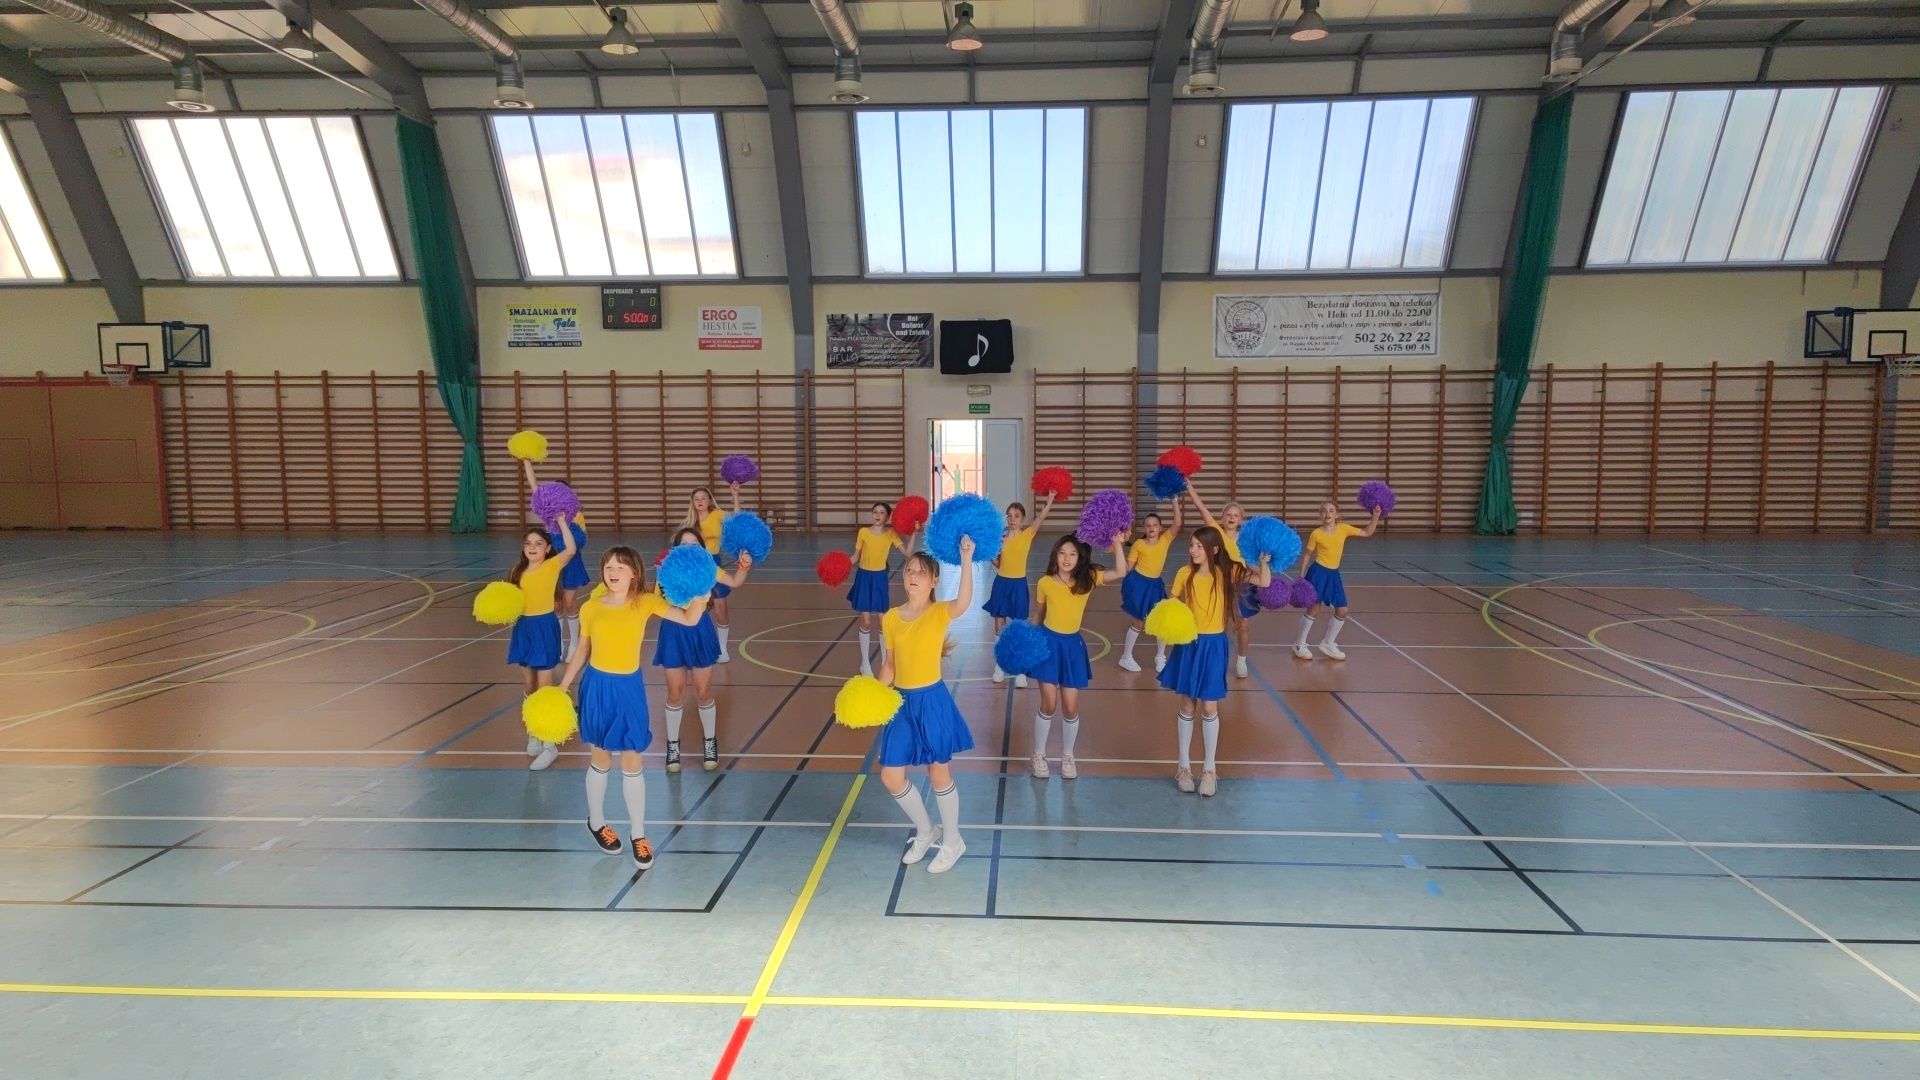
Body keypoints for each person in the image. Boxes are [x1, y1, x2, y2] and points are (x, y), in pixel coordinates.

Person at [557, 546, 709, 870]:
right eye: (608, 566)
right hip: (597, 687)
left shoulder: (646, 602)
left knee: (632, 758)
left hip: (629, 688)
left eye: (620, 567)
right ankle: (596, 822)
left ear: (634, 574)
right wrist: (563, 685)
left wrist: (701, 592)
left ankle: (638, 834)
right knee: (600, 758)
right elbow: (582, 649)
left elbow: (690, 618)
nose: (613, 572)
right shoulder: (590, 607)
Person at [875, 539, 977, 875]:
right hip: (901, 703)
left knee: (938, 771)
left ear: (934, 580)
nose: (913, 576)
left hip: (932, 701)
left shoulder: (938, 612)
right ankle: (926, 829)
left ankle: (953, 841)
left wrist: (966, 558)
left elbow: (964, 601)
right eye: (909, 571)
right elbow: (889, 665)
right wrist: (872, 695)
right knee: (891, 776)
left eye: (921, 572)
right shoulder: (890, 618)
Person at [1158, 525, 1270, 797]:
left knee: (1209, 706)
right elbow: (1172, 605)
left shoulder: (1228, 572)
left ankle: (1209, 770)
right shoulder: (1184, 574)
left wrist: (1262, 562)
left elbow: (1264, 582)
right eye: (1192, 545)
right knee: (1188, 704)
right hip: (1189, 644)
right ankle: (1184, 767)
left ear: (1214, 549)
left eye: (1199, 546)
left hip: (1214, 645)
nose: (1193, 550)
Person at [1028, 534, 1125, 779]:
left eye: (1072, 554)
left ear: (1079, 558)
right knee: (1049, 704)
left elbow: (1121, 572)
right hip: (1048, 645)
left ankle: (1068, 756)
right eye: (1062, 553)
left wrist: (1117, 543)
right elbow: (1038, 614)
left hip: (1072, 647)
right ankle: (1038, 754)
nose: (1067, 558)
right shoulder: (1045, 582)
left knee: (1070, 708)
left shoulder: (1088, 579)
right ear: (1055, 556)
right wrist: (1027, 643)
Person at [1292, 499, 1381, 661]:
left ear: (1337, 514)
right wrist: (1301, 577)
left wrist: (1375, 516)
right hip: (1318, 572)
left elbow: (1367, 532)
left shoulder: (1343, 529)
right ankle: (1299, 644)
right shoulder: (1316, 533)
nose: (1327, 513)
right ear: (1320, 515)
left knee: (1342, 610)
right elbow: (1307, 555)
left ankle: (1328, 643)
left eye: (1331, 510)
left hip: (1333, 574)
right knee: (1314, 608)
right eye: (1324, 511)